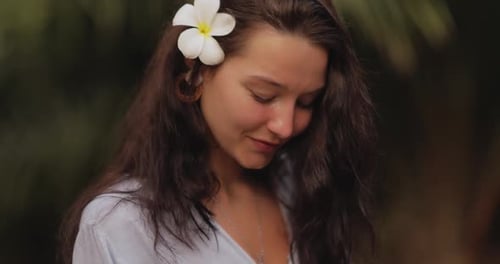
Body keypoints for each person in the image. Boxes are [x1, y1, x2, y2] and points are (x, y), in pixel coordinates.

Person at [59, 0, 377, 263]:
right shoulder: (121, 227)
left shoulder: (305, 190)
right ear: (196, 72)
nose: (285, 126)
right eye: (263, 96)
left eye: (307, 102)